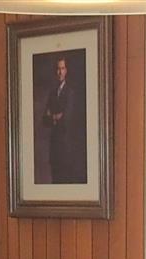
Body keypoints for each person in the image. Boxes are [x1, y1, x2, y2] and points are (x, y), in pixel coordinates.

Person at [40, 55, 84, 184]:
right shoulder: (52, 93)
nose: (60, 72)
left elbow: (66, 119)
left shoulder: (70, 92)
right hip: (54, 146)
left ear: (66, 70)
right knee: (55, 180)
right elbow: (44, 120)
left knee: (65, 180)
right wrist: (55, 117)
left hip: (66, 145)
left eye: (62, 68)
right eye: (58, 69)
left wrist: (52, 116)